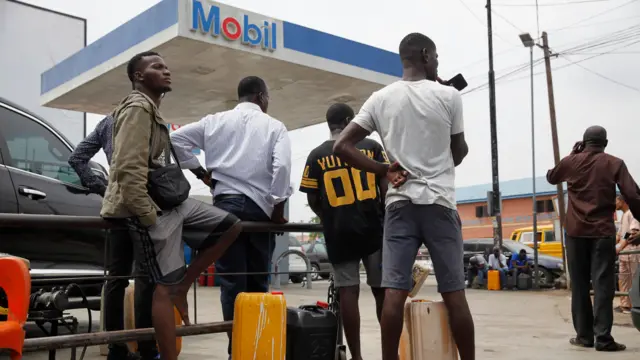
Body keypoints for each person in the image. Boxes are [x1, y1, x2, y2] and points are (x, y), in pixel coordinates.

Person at [333, 33, 474, 360]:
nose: (438, 62)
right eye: (436, 56)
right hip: (440, 205)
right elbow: (459, 153)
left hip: (399, 207)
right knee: (454, 294)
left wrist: (383, 170)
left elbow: (343, 146)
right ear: (425, 55)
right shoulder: (449, 95)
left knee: (394, 294)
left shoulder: (380, 98)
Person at [101, 51, 242, 360]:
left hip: (172, 203)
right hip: (151, 210)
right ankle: (166, 355)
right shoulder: (138, 108)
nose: (166, 71)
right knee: (159, 286)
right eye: (157, 67)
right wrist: (151, 218)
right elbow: (126, 168)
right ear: (138, 77)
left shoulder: (151, 110)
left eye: (166, 66)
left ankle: (182, 286)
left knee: (230, 225)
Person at [170, 75, 292, 358]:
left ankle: (236, 348)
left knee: (232, 283)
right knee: (259, 283)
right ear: (261, 97)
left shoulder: (214, 121)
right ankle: (258, 347)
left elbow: (173, 141)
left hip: (224, 209)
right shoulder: (275, 126)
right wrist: (277, 207)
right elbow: (283, 166)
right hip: (260, 212)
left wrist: (201, 173)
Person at [299, 103, 387, 360]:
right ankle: (389, 353)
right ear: (350, 120)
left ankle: (356, 356)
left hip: (339, 231)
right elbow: (386, 188)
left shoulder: (316, 155)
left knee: (348, 291)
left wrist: (331, 216)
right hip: (374, 229)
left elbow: (313, 198)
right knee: (382, 290)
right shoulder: (372, 147)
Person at [68, 116, 158, 360]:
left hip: (117, 208)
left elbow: (76, 158)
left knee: (116, 278)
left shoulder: (106, 123)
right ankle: (147, 349)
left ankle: (115, 348)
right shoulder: (143, 118)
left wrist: (102, 187)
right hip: (141, 206)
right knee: (144, 278)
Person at [547, 125, 640, 352]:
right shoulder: (614, 163)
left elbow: (551, 177)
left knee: (579, 285)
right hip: (602, 233)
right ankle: (603, 339)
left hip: (576, 233)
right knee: (603, 285)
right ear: (605, 143)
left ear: (583, 142)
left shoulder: (572, 162)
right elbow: (631, 193)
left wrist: (572, 154)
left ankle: (584, 336)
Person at [614, 195, 640, 313]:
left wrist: (619, 247)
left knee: (633, 278)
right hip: (624, 253)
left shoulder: (632, 213)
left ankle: (635, 304)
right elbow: (620, 234)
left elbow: (630, 234)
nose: (615, 204)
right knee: (623, 278)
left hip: (632, 251)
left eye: (616, 201)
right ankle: (625, 304)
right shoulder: (623, 215)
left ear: (623, 201)